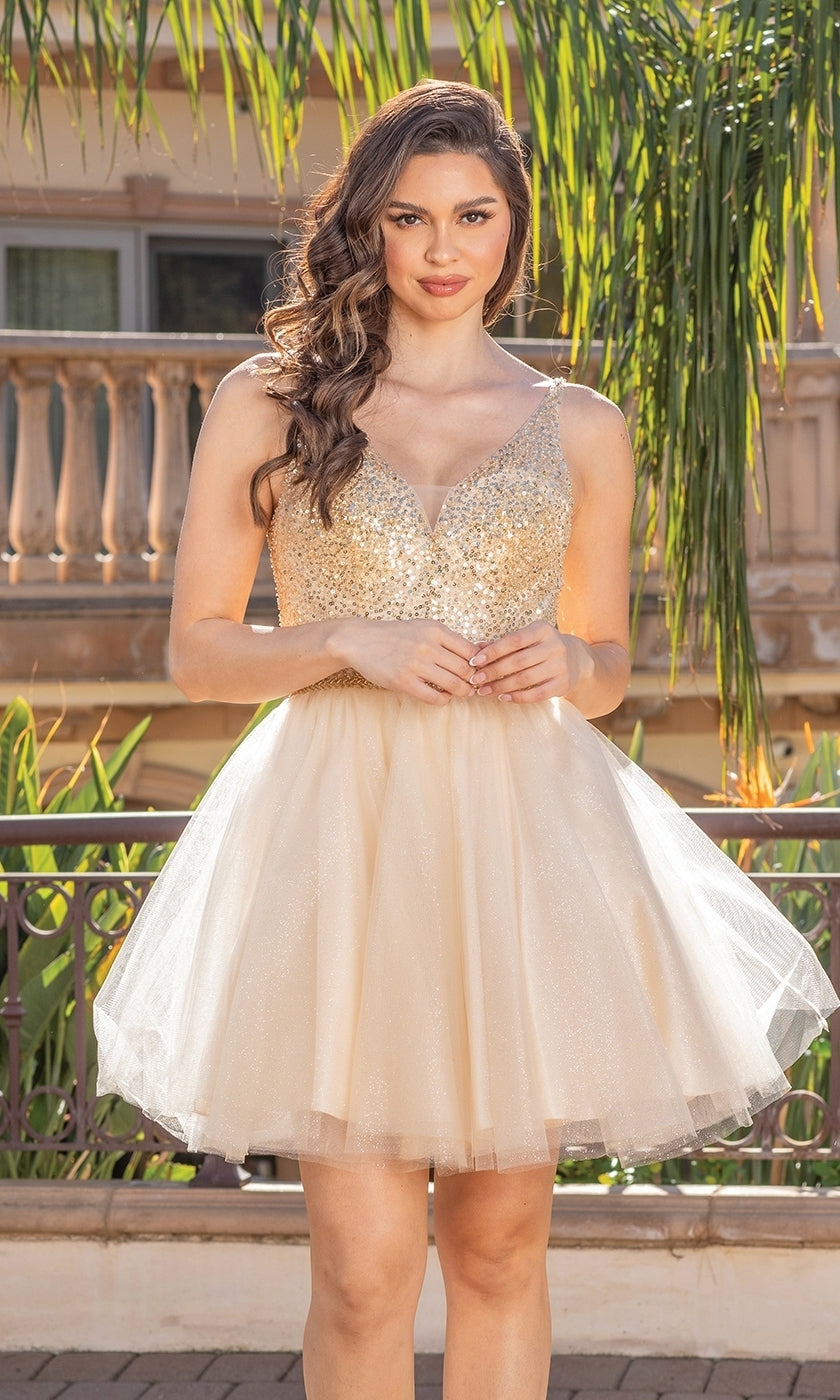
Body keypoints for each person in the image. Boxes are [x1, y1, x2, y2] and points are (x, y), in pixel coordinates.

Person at [95, 80, 837, 1400]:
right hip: (343, 838)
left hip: (518, 841)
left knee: (500, 1248)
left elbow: (606, 667)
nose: (443, 249)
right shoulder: (268, 402)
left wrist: (573, 660)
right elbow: (196, 650)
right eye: (411, 217)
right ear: (367, 232)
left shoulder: (583, 427)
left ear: (513, 230)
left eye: (474, 216)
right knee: (364, 1261)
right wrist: (346, 642)